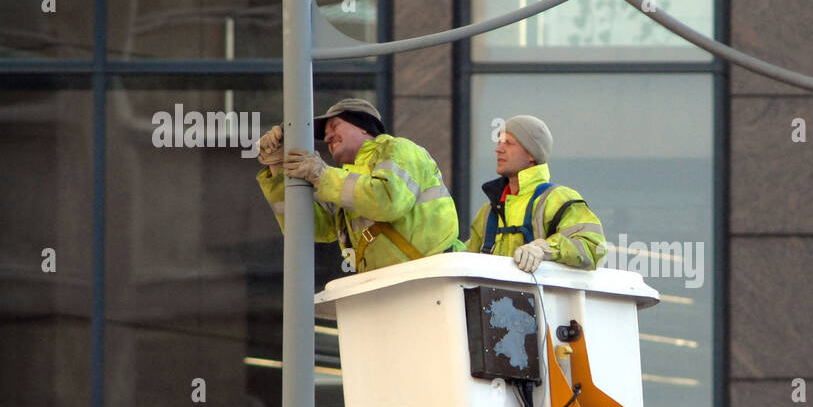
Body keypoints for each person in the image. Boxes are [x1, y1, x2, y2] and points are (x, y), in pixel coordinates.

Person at [255, 98, 459, 272]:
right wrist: (277, 165)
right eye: (326, 133)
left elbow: (388, 201)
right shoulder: (343, 182)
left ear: (363, 126)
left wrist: (322, 175)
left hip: (434, 277)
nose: (327, 137)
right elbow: (307, 227)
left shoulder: (398, 149)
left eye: (334, 126)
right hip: (390, 286)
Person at [466, 116, 606, 272]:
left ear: (531, 154)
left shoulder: (558, 199)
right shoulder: (488, 212)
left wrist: (544, 248)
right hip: (495, 297)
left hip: (542, 296)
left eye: (509, 143)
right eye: (499, 143)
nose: (498, 149)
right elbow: (463, 260)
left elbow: (594, 247)